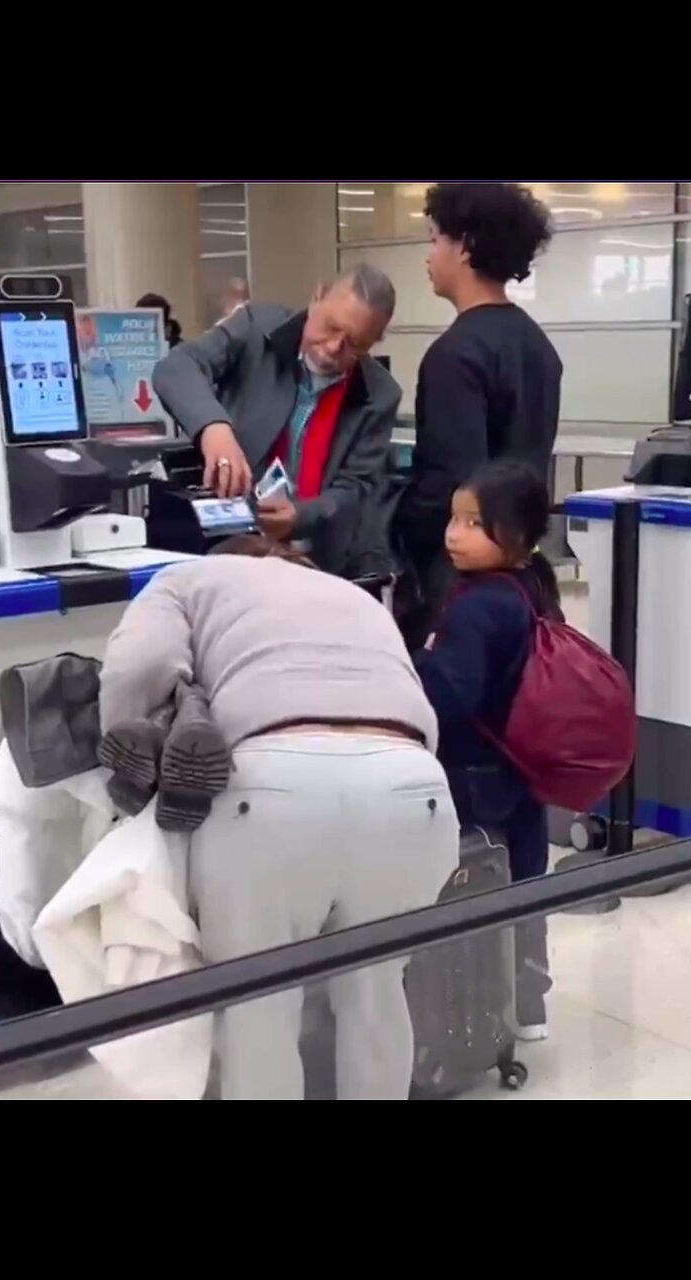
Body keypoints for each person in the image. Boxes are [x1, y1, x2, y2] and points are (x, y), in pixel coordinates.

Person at [99, 535, 458, 1100]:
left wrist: (130, 766)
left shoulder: (186, 579)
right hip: (411, 784)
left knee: (258, 1013)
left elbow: (136, 667)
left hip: (271, 783)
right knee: (377, 1000)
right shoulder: (353, 595)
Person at [413, 460, 559, 1042]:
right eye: (453, 518)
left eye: (474, 523)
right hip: (525, 761)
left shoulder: (476, 605)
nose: (453, 534)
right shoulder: (535, 584)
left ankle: (473, 1009)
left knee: (474, 884)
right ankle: (530, 1008)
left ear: (518, 534)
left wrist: (415, 665)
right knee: (528, 883)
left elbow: (451, 692)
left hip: (472, 772)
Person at [398, 182, 563, 646]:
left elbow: (450, 479)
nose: (428, 256)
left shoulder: (456, 354)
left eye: (434, 239)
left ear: (465, 246)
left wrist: (398, 529)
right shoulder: (538, 346)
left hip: (459, 579)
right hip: (520, 567)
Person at [151, 266, 400, 569]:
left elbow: (358, 488)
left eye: (355, 344)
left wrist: (303, 515)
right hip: (229, 547)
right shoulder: (257, 328)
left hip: (315, 563)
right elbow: (177, 367)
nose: (334, 348)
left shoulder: (379, 395)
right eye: (331, 326)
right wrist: (213, 427)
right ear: (317, 296)